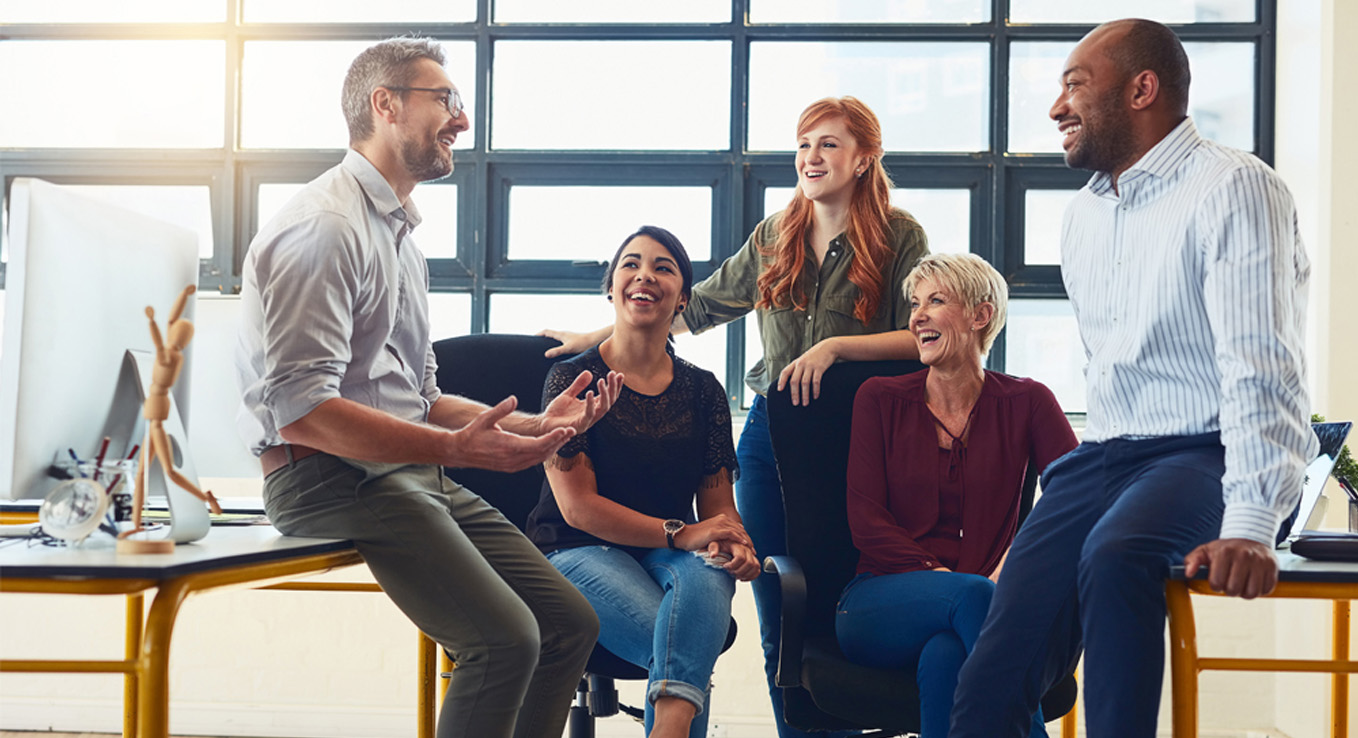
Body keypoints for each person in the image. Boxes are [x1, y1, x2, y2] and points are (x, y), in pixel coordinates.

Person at [234, 38, 623, 738]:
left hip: (403, 471)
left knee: (569, 625)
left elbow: (420, 398)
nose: (461, 121)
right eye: (444, 100)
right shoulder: (326, 229)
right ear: (385, 106)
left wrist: (532, 425)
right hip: (324, 476)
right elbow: (303, 413)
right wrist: (458, 450)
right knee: (505, 641)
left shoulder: (400, 242)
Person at [948, 19, 1317, 738]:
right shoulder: (1084, 214)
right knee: (995, 661)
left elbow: (1261, 363)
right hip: (1101, 457)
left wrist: (1250, 524)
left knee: (1118, 556)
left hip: (1201, 452)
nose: (1057, 108)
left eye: (1075, 86)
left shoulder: (1234, 187)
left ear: (1142, 89)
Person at [542, 97, 929, 738]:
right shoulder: (776, 235)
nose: (811, 157)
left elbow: (922, 337)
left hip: (858, 443)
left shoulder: (899, 235)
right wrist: (597, 333)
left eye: (829, 145)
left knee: (843, 597)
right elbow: (693, 305)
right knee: (781, 606)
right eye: (804, 144)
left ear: (864, 159)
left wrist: (832, 349)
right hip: (773, 440)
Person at [527, 225, 760, 738]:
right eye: (631, 264)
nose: (645, 276)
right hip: (575, 548)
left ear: (683, 299)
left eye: (664, 267)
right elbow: (578, 508)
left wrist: (733, 541)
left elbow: (720, 506)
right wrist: (683, 533)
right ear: (611, 287)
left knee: (712, 569)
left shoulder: (704, 390)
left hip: (663, 553)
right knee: (684, 638)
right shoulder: (573, 379)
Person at [837, 253, 1077, 738]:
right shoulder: (879, 398)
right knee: (971, 597)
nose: (917, 315)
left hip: (982, 602)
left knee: (947, 654)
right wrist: (950, 581)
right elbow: (865, 520)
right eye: (915, 303)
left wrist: (1007, 570)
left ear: (980, 316)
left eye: (936, 300)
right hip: (876, 603)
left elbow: (1075, 498)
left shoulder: (1028, 402)